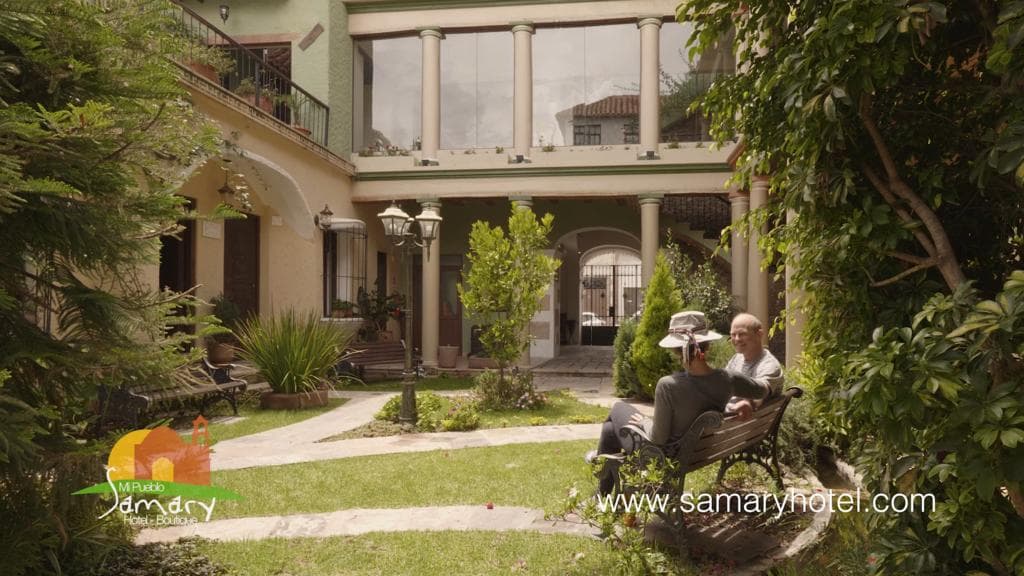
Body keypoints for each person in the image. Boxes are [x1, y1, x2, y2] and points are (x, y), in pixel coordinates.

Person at [589, 311, 769, 493]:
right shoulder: (729, 379)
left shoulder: (668, 385)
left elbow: (658, 438)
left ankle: (599, 469)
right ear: (707, 347)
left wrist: (645, 422)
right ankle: (601, 492)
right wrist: (750, 402)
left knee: (618, 408)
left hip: (663, 457)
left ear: (676, 351)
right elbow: (763, 389)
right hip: (698, 452)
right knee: (609, 430)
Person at [723, 313, 784, 420]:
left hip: (734, 426)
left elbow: (763, 390)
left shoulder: (769, 365)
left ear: (759, 334)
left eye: (742, 334)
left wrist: (749, 402)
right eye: (733, 334)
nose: (736, 339)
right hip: (729, 423)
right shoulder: (737, 358)